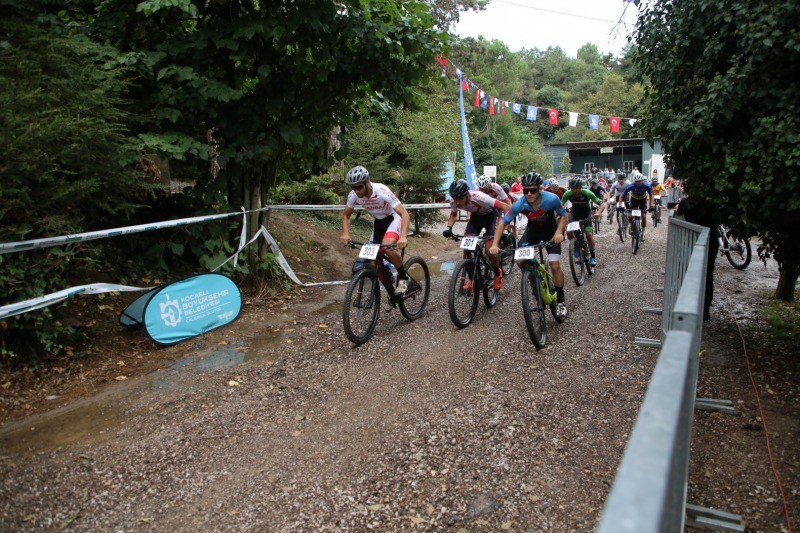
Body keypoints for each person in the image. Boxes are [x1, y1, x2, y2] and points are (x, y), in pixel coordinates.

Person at [490, 170, 569, 318]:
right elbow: (502, 223)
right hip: (532, 232)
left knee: (554, 265)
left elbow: (564, 216)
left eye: (532, 190)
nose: (529, 194)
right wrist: (495, 244)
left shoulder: (551, 199)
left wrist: (559, 232)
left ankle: (560, 299)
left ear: (539, 189)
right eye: (526, 190)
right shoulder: (520, 204)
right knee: (519, 260)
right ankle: (533, 281)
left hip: (551, 232)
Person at [340, 165, 413, 299]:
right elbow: (346, 216)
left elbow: (404, 213)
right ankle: (390, 291)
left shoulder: (381, 191)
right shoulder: (353, 195)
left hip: (393, 218)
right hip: (379, 222)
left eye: (359, 187)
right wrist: (345, 234)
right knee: (373, 262)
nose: (356, 191)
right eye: (353, 187)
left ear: (367, 182)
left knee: (388, 247)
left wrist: (403, 236)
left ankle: (404, 279)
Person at [443, 179, 511, 291]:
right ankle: (472, 278)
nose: (458, 203)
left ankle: (497, 272)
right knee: (466, 248)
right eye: (456, 199)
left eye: (460, 199)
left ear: (467, 195)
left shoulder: (480, 197)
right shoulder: (453, 200)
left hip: (491, 217)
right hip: (476, 219)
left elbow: (505, 207)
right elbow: (453, 214)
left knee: (489, 250)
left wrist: (505, 223)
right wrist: (449, 228)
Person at [674, 194, 719, 321]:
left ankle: (688, 307)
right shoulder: (714, 203)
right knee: (707, 274)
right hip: (711, 242)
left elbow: (679, 211)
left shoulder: (686, 202)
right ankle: (705, 309)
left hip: (691, 241)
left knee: (688, 273)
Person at [560, 177, 605, 266]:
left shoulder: (587, 193)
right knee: (569, 232)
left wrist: (598, 213)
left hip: (586, 213)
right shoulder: (567, 193)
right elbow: (560, 206)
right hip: (574, 213)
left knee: (588, 235)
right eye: (572, 188)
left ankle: (593, 257)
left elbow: (602, 204)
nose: (574, 190)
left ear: (580, 187)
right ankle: (576, 245)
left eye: (576, 188)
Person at [623, 173, 654, 240]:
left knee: (643, 217)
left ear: (642, 180)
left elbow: (651, 195)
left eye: (639, 181)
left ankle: (642, 234)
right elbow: (623, 194)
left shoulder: (646, 185)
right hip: (634, 200)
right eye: (636, 181)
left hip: (643, 200)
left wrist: (651, 205)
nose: (638, 183)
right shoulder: (631, 186)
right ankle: (631, 226)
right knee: (630, 216)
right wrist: (622, 203)